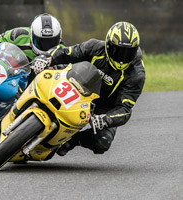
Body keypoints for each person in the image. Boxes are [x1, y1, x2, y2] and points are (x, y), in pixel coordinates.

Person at [49, 21, 146, 155]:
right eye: (118, 51)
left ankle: (74, 140)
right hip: (79, 90)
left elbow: (125, 110)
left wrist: (106, 119)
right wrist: (48, 59)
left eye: (128, 53)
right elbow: (69, 52)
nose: (122, 59)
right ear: (108, 45)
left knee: (103, 142)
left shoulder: (137, 74)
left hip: (106, 107)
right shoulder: (94, 47)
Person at [0, 13, 65, 82]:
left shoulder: (64, 52)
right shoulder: (19, 34)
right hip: (10, 73)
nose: (46, 46)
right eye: (41, 41)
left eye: (51, 42)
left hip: (34, 87)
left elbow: (72, 71)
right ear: (31, 35)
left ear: (59, 38)